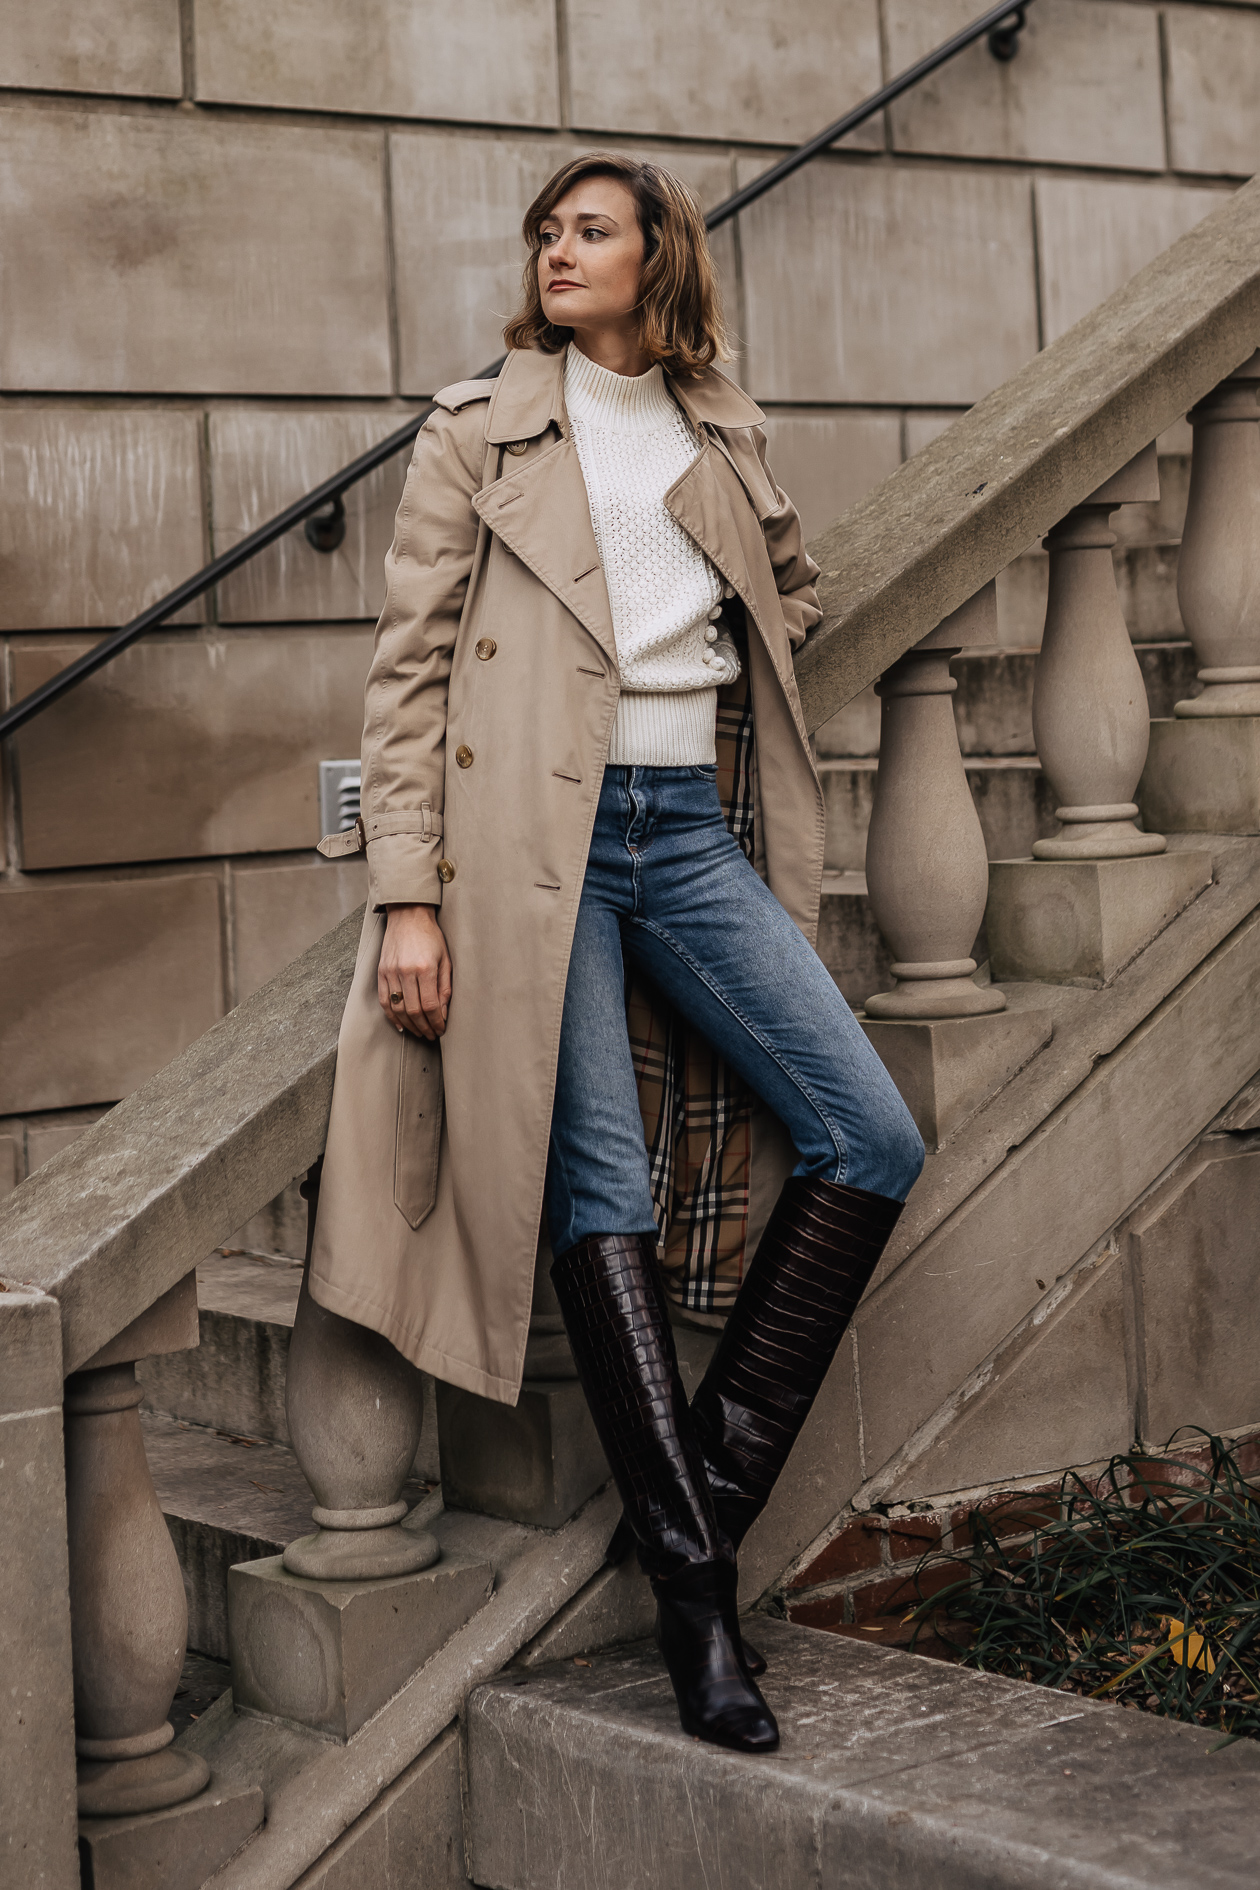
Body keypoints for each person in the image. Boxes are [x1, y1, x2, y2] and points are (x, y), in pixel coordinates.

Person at [312, 152, 924, 1754]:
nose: (557, 248)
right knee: (602, 1187)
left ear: (663, 254)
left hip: (686, 826)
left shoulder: (722, 425)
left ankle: (698, 1493)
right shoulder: (482, 431)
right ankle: (699, 1608)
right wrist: (409, 895)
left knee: (873, 1131)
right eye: (548, 231)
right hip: (536, 851)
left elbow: (780, 595)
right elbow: (408, 680)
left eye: (591, 227)